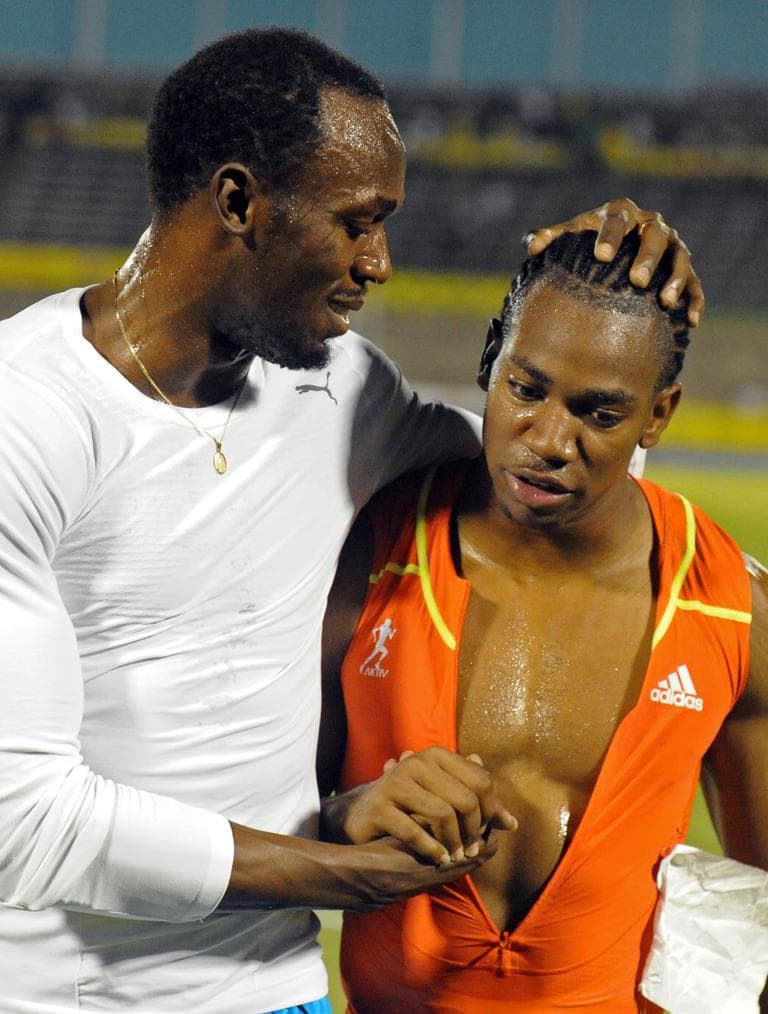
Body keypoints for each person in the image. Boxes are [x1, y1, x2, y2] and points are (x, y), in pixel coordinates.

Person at [0, 23, 704, 1014]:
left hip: (279, 990)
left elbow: (551, 455)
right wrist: (338, 874)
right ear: (240, 201)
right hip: (64, 996)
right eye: (356, 221)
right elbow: (24, 822)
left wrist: (604, 303)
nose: (380, 262)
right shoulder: (25, 418)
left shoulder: (339, 391)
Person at [319, 227, 767, 1012]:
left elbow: (762, 901)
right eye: (526, 390)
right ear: (492, 356)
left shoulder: (730, 607)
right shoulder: (374, 546)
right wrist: (350, 812)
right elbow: (258, 812)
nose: (549, 442)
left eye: (599, 414)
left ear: (657, 416)